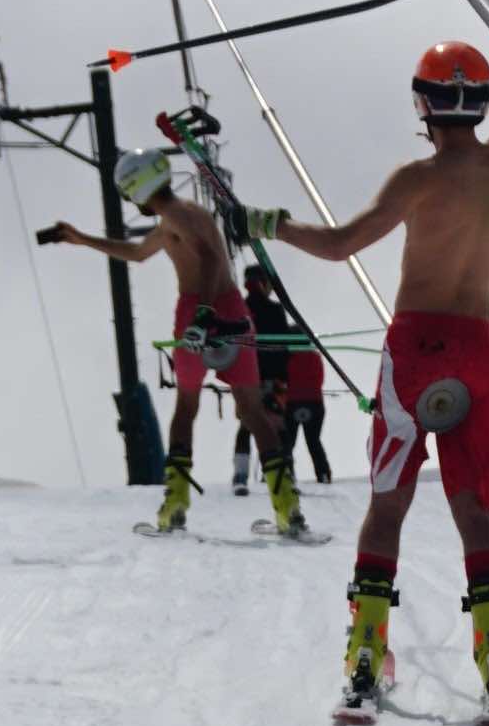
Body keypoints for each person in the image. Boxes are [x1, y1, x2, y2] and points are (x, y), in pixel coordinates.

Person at [234, 37, 489, 722]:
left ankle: (366, 655)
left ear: (423, 102)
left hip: (415, 349)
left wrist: (269, 224)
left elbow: (341, 245)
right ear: (479, 99)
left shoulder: (416, 178)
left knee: (390, 500)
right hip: (476, 351)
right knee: (472, 506)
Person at [40, 149, 305, 535]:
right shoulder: (178, 216)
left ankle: (175, 501)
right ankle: (287, 507)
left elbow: (210, 258)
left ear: (136, 189)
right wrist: (82, 239)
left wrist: (200, 314)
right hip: (230, 309)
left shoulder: (178, 217)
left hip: (199, 310)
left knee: (185, 408)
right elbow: (137, 252)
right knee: (251, 410)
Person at [233, 263, 296, 495]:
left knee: (247, 425)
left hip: (247, 378)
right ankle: (286, 473)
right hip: (272, 376)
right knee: (277, 425)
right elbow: (284, 346)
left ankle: (240, 476)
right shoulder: (274, 310)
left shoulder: (239, 309)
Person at [283, 339, 332, 483]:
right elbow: (320, 379)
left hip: (291, 403)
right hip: (315, 403)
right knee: (313, 440)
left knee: (287, 442)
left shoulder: (286, 356)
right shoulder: (315, 356)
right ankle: (323, 473)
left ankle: (286, 474)